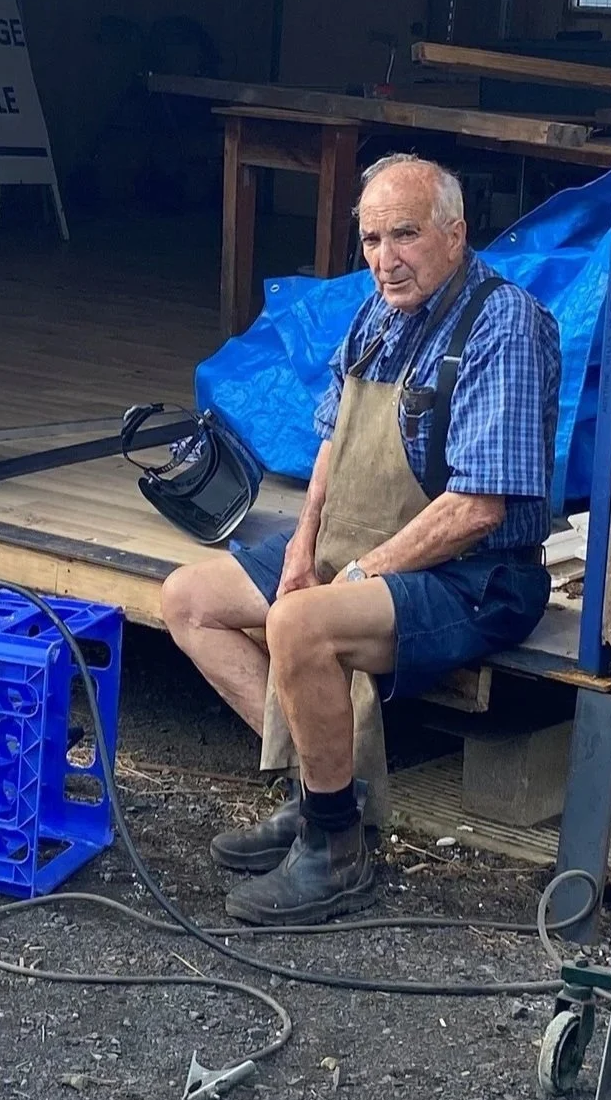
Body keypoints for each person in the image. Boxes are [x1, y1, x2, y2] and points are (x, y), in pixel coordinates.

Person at [160, 154, 560, 925]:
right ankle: (332, 789)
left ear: (455, 232)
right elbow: (332, 447)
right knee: (190, 600)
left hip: (477, 575)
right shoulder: (381, 311)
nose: (385, 258)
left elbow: (476, 508)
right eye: (372, 239)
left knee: (300, 625)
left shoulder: (502, 323)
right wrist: (305, 550)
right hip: (364, 539)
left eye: (404, 235)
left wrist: (355, 576)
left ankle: (335, 850)